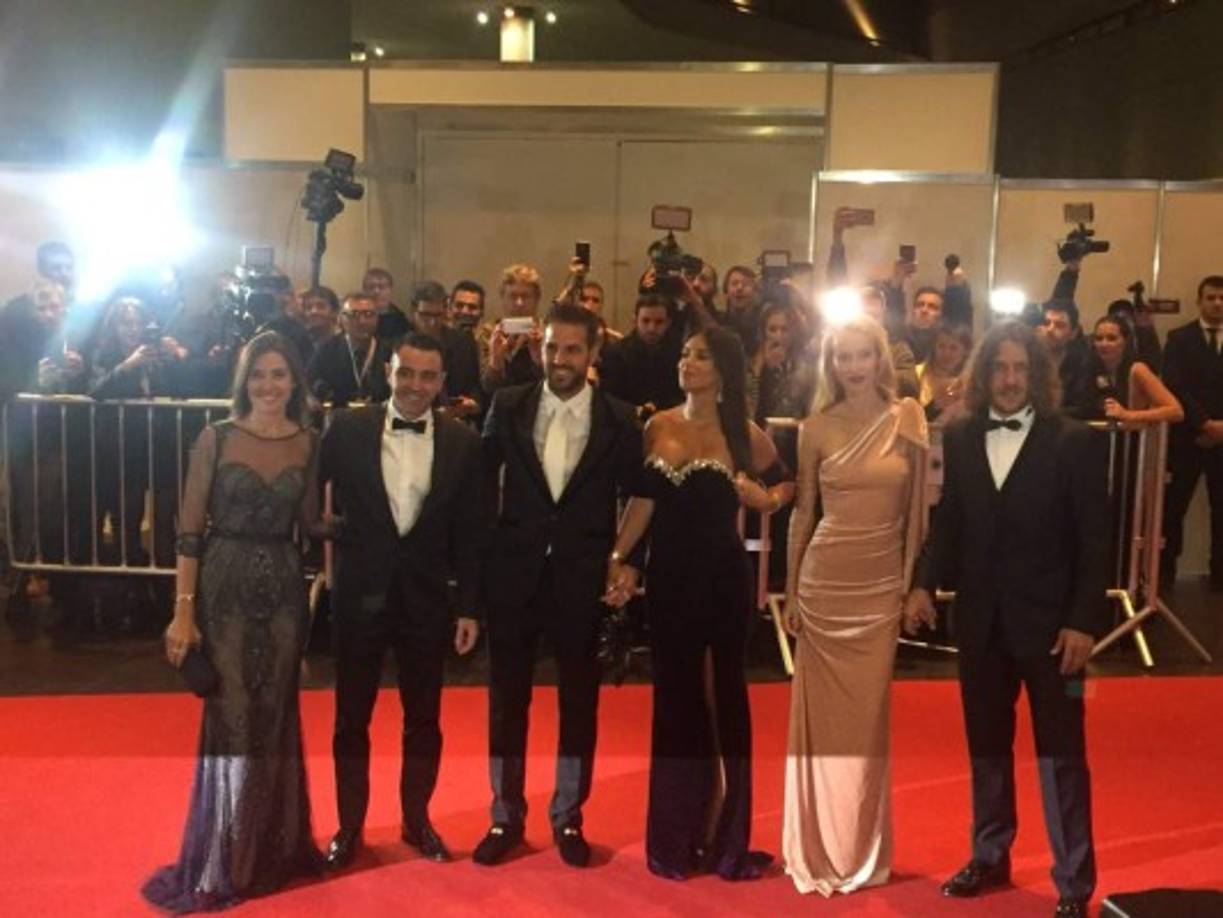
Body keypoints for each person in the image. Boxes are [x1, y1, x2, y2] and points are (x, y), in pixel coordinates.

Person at [903, 321, 1110, 918]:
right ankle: (990, 855)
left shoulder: (1073, 441)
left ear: (1037, 375)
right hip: (981, 624)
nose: (1011, 379)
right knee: (986, 747)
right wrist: (923, 584)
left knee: (1062, 754)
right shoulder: (963, 434)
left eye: (1021, 369)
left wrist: (1083, 622)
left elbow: (1097, 542)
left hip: (1055, 634)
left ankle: (1074, 881)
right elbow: (950, 523)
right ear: (984, 372)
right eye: (1000, 368)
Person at [605, 325, 794, 881]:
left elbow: (788, 484)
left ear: (724, 371)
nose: (688, 363)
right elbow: (644, 500)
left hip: (723, 581)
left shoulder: (745, 433)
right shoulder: (657, 425)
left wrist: (765, 499)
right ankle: (674, 838)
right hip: (668, 582)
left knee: (723, 703)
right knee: (675, 704)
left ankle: (722, 836)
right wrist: (620, 556)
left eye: (702, 356)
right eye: (685, 354)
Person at [144, 332, 323, 912]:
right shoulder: (215, 439)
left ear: (295, 382)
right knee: (233, 713)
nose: (269, 386)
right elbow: (190, 533)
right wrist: (183, 611)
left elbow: (312, 523)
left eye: (279, 375)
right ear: (243, 382)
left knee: (274, 713)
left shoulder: (307, 442)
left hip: (284, 588)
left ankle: (271, 848)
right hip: (224, 585)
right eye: (258, 376)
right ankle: (224, 854)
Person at [474, 302, 642, 869]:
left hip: (581, 576)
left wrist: (626, 559)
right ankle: (505, 814)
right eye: (551, 347)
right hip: (513, 574)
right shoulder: (508, 404)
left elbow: (642, 496)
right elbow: (476, 482)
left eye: (572, 349)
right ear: (539, 346)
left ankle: (569, 816)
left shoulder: (619, 418)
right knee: (506, 700)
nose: (559, 359)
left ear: (593, 353)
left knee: (579, 702)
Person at [319, 332, 487, 868]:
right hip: (359, 593)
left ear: (442, 382)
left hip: (426, 598)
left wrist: (469, 607)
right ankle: (349, 827)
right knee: (351, 718)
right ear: (389, 372)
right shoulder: (345, 429)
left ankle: (417, 821)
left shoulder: (463, 441)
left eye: (428, 376)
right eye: (406, 373)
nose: (416, 386)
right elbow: (301, 492)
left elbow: (472, 532)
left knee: (424, 718)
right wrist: (316, 530)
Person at [781, 315, 928, 896]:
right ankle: (817, 847)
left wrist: (910, 584)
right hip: (824, 586)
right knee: (820, 729)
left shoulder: (908, 418)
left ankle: (860, 846)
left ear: (879, 359)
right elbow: (803, 512)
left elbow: (918, 513)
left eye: (862, 354)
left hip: (879, 586)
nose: (852, 366)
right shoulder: (814, 426)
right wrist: (791, 588)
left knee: (868, 728)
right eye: (842, 356)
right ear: (830, 363)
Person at [1160, 275, 1223, 590]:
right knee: (1172, 511)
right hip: (1187, 438)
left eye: (1222, 298)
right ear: (1200, 301)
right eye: (1211, 297)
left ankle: (1220, 579)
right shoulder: (1179, 338)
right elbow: (1174, 386)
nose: (1217, 303)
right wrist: (1204, 424)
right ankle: (1164, 575)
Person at [1075, 314, 1182, 425]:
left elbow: (1176, 411)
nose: (1104, 344)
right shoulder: (1089, 367)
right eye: (1099, 339)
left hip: (1134, 437)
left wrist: (1127, 415)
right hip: (1102, 437)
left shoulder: (1138, 369)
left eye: (1112, 338)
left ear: (1125, 341)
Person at [598, 293, 683, 414]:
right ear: (635, 321)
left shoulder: (678, 354)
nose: (651, 328)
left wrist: (657, 406)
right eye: (645, 321)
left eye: (659, 322)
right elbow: (609, 399)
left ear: (668, 323)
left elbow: (679, 395)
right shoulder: (616, 354)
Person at [307, 292, 391, 407]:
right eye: (354, 314)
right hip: (337, 417)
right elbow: (309, 382)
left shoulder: (389, 352)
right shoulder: (326, 350)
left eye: (368, 314)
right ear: (341, 318)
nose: (362, 321)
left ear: (377, 318)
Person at [479, 263, 546, 394]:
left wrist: (539, 360)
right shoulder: (489, 332)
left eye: (525, 297)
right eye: (513, 296)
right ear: (503, 298)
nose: (519, 303)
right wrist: (496, 361)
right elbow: (488, 388)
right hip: (500, 408)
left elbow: (556, 386)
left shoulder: (548, 332)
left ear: (537, 299)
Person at [1040, 299, 1091, 413]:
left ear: (1073, 333)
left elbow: (1081, 407)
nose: (1050, 329)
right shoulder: (1028, 359)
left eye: (1059, 325)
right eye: (1047, 323)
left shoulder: (1082, 364)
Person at [917, 321, 973, 423]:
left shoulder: (972, 381)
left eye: (953, 348)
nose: (946, 353)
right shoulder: (917, 374)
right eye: (941, 346)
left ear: (966, 351)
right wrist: (934, 406)